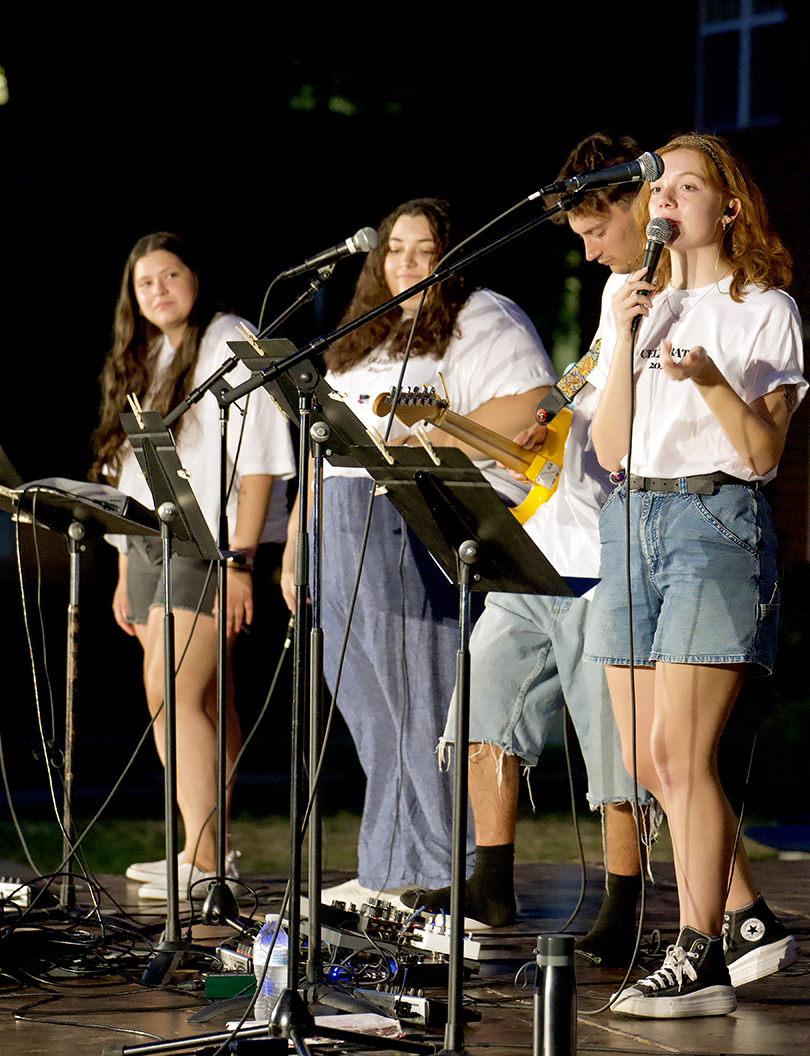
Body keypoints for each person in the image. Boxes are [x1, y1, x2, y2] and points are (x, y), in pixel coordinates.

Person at [398, 133, 655, 966]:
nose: (584, 247)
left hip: (605, 557)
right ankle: (491, 880)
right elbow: (550, 427)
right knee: (481, 710)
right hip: (536, 547)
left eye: (592, 225)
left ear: (633, 204)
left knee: (612, 745)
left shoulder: (655, 291)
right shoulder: (615, 296)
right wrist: (449, 433)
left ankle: (623, 903)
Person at [281, 199, 554, 907]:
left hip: (411, 515)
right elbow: (325, 447)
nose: (405, 263)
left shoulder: (483, 317)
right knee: (370, 705)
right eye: (394, 250)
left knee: (422, 697)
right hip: (340, 516)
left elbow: (533, 408)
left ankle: (444, 869)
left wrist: (428, 441)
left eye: (422, 249)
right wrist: (295, 542)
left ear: (451, 256)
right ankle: (389, 866)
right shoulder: (364, 336)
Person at [586, 131, 803, 1019]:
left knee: (684, 756)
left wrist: (713, 380)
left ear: (730, 206)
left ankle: (698, 950)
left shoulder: (764, 306)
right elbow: (606, 446)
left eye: (684, 186)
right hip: (629, 516)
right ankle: (745, 916)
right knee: (646, 762)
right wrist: (627, 329)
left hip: (714, 520)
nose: (664, 200)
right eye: (656, 188)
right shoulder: (624, 295)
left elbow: (762, 453)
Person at [88, 232, 294, 902]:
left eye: (170, 275)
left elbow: (262, 454)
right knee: (202, 697)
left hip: (205, 538)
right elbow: (132, 467)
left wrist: (238, 560)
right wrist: (123, 563)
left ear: (196, 277)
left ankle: (203, 861)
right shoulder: (149, 355)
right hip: (148, 537)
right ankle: (206, 850)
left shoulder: (231, 337)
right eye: (145, 283)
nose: (158, 291)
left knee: (172, 692)